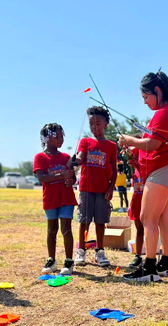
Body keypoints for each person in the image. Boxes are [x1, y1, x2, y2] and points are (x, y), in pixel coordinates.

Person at [118, 71, 168, 282]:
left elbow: (152, 144)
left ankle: (149, 268)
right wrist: (134, 154)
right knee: (163, 218)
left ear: (157, 91)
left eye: (146, 97)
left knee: (147, 218)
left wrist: (130, 140)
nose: (145, 102)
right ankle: (165, 263)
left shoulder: (165, 112)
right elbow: (151, 146)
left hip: (164, 170)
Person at [74, 106, 118, 268]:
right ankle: (81, 251)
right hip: (86, 188)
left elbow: (113, 170)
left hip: (102, 190)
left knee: (100, 222)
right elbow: (80, 158)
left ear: (106, 124)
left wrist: (111, 188)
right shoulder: (85, 142)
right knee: (84, 221)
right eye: (91, 124)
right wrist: (75, 160)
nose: (94, 127)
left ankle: (99, 252)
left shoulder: (112, 146)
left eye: (98, 124)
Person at [33, 123, 78, 275]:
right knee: (52, 230)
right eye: (56, 136)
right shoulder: (40, 157)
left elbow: (73, 178)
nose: (60, 140)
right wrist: (62, 175)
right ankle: (51, 259)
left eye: (62, 136)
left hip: (66, 198)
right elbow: (42, 178)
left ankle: (69, 260)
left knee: (66, 229)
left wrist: (71, 180)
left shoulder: (66, 157)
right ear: (46, 138)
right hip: (50, 199)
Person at [127, 146, 146, 268]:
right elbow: (135, 189)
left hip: (147, 202)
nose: (134, 158)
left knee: (150, 230)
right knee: (139, 230)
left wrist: (138, 165)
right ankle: (138, 256)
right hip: (137, 202)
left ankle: (151, 257)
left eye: (136, 155)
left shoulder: (146, 166)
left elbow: (147, 174)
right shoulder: (135, 172)